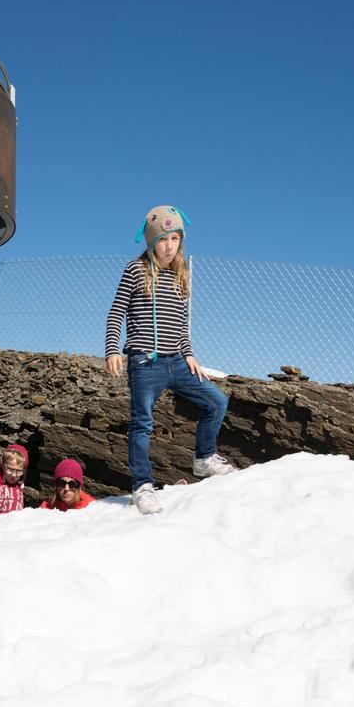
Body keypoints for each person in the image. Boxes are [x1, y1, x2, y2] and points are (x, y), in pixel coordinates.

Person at [104, 204, 236, 515]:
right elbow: (115, 312)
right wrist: (112, 349)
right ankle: (142, 486)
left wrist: (189, 354)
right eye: (163, 239)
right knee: (142, 423)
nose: (169, 246)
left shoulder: (181, 275)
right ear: (151, 241)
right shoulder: (135, 270)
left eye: (174, 238)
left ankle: (204, 458)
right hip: (144, 363)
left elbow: (181, 326)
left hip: (176, 361)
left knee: (217, 401)